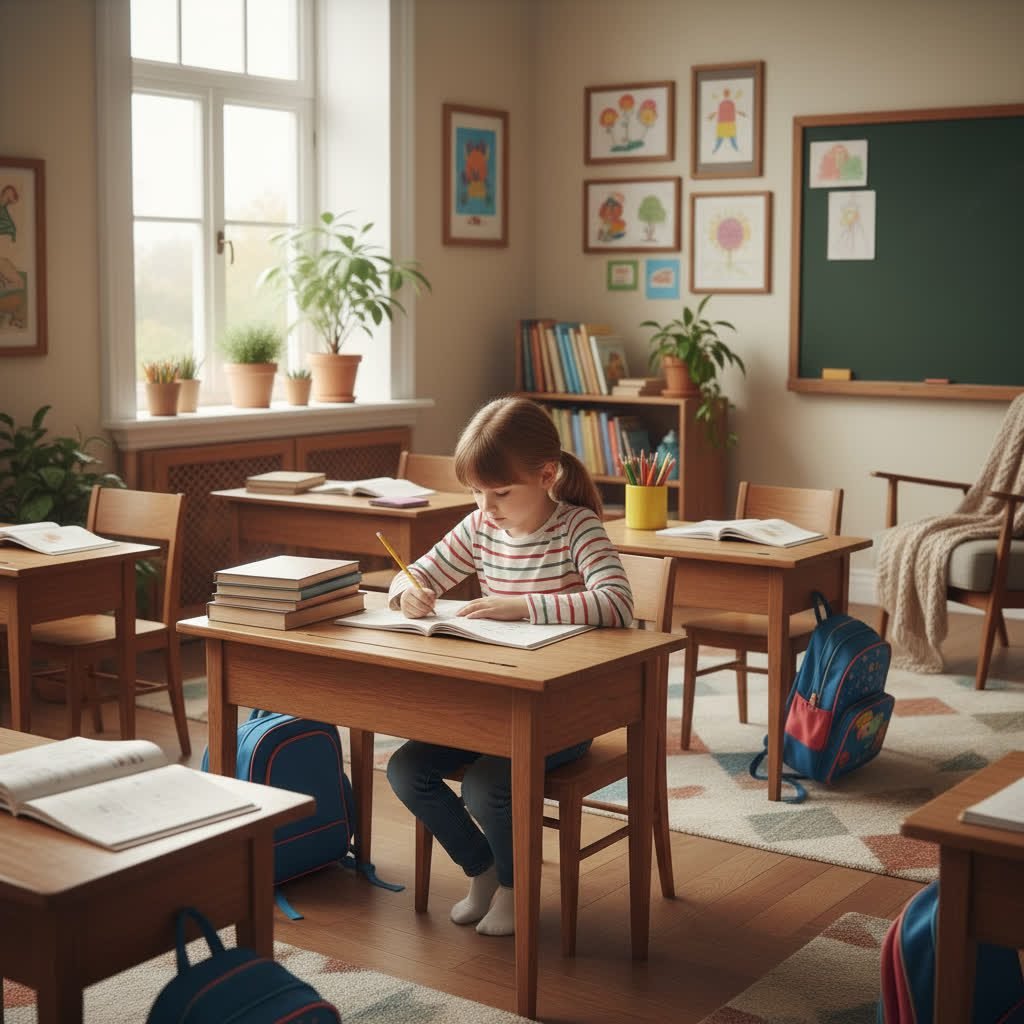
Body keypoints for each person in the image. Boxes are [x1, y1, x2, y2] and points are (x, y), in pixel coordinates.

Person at [385, 396, 634, 937]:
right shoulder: (480, 528)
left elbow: (617, 603)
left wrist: (524, 606)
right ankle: (486, 871)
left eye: (499, 492)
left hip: (560, 713)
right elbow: (411, 574)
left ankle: (517, 888)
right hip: (490, 705)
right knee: (404, 769)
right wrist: (408, 591)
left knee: (483, 786)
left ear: (547, 475)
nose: (486, 505)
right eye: (476, 491)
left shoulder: (577, 528)